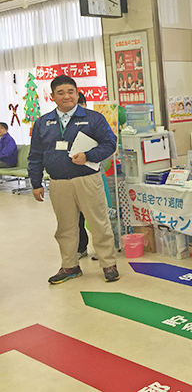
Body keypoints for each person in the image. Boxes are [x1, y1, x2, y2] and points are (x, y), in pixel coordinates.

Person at [28, 75, 119, 284]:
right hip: (59, 183)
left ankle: (108, 264)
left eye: (70, 92)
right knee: (65, 227)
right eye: (60, 92)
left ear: (77, 94)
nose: (66, 96)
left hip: (87, 179)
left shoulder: (93, 118)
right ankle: (70, 266)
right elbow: (35, 155)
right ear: (52, 97)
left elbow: (109, 144)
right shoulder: (43, 122)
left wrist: (89, 156)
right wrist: (35, 183)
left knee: (99, 223)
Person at [75, 93, 89, 260]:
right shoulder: (55, 123)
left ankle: (106, 255)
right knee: (76, 218)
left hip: (92, 175)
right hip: (70, 177)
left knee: (96, 217)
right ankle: (81, 247)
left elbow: (107, 146)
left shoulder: (94, 121)